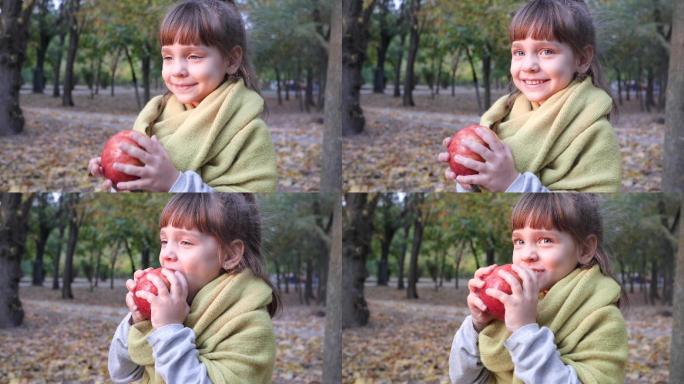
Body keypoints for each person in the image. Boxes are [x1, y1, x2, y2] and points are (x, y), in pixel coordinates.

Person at [88, 0, 276, 192]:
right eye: (168, 57)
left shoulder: (249, 132)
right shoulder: (155, 115)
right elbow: (143, 183)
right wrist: (121, 177)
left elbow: (242, 203)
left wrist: (175, 183)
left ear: (232, 60)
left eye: (194, 56)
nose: (177, 70)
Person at [438, 0, 621, 192]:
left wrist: (511, 183)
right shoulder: (501, 117)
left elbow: (578, 206)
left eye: (547, 51)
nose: (528, 65)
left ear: (582, 59)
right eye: (519, 52)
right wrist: (470, 179)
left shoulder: (596, 134)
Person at [449, 193, 628, 383]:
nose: (527, 255)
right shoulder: (510, 306)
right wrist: (476, 326)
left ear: (584, 249)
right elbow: (465, 380)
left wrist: (524, 331)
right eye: (519, 241)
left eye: (545, 240)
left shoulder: (602, 318)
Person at [108, 193, 280, 383]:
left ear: (230, 255)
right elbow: (122, 374)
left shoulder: (250, 326)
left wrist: (168, 330)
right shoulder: (168, 309)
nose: (167, 254)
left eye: (186, 242)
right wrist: (137, 322)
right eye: (164, 241)